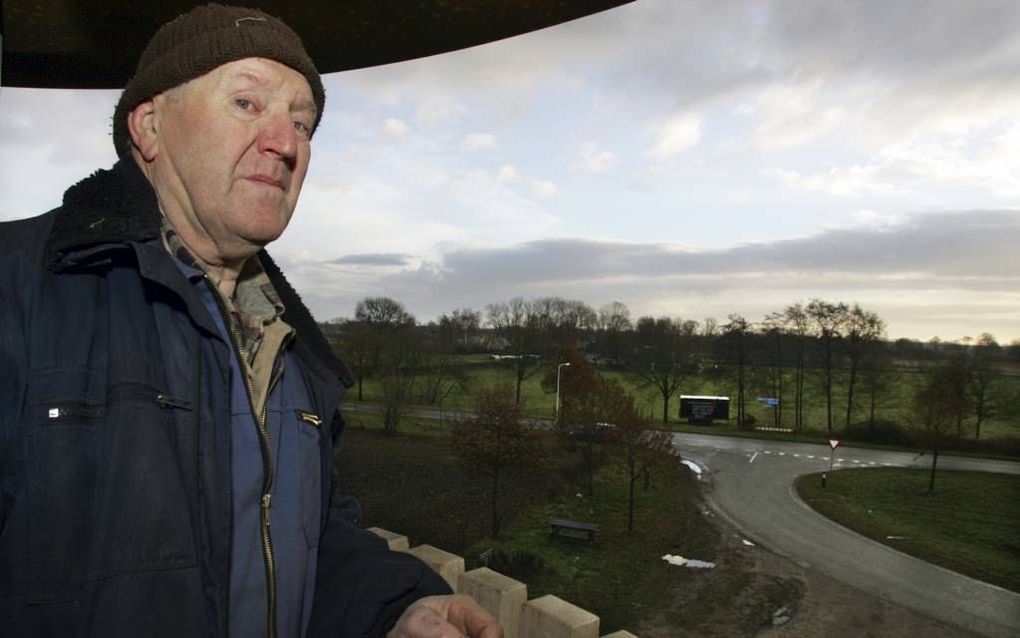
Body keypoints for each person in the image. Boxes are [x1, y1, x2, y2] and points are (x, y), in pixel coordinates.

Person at [0, 4, 500, 637]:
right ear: (150, 128)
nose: (286, 142)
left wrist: (391, 607)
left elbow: (301, 541)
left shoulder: (293, 353)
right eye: (246, 104)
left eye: (302, 122)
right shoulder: (22, 287)